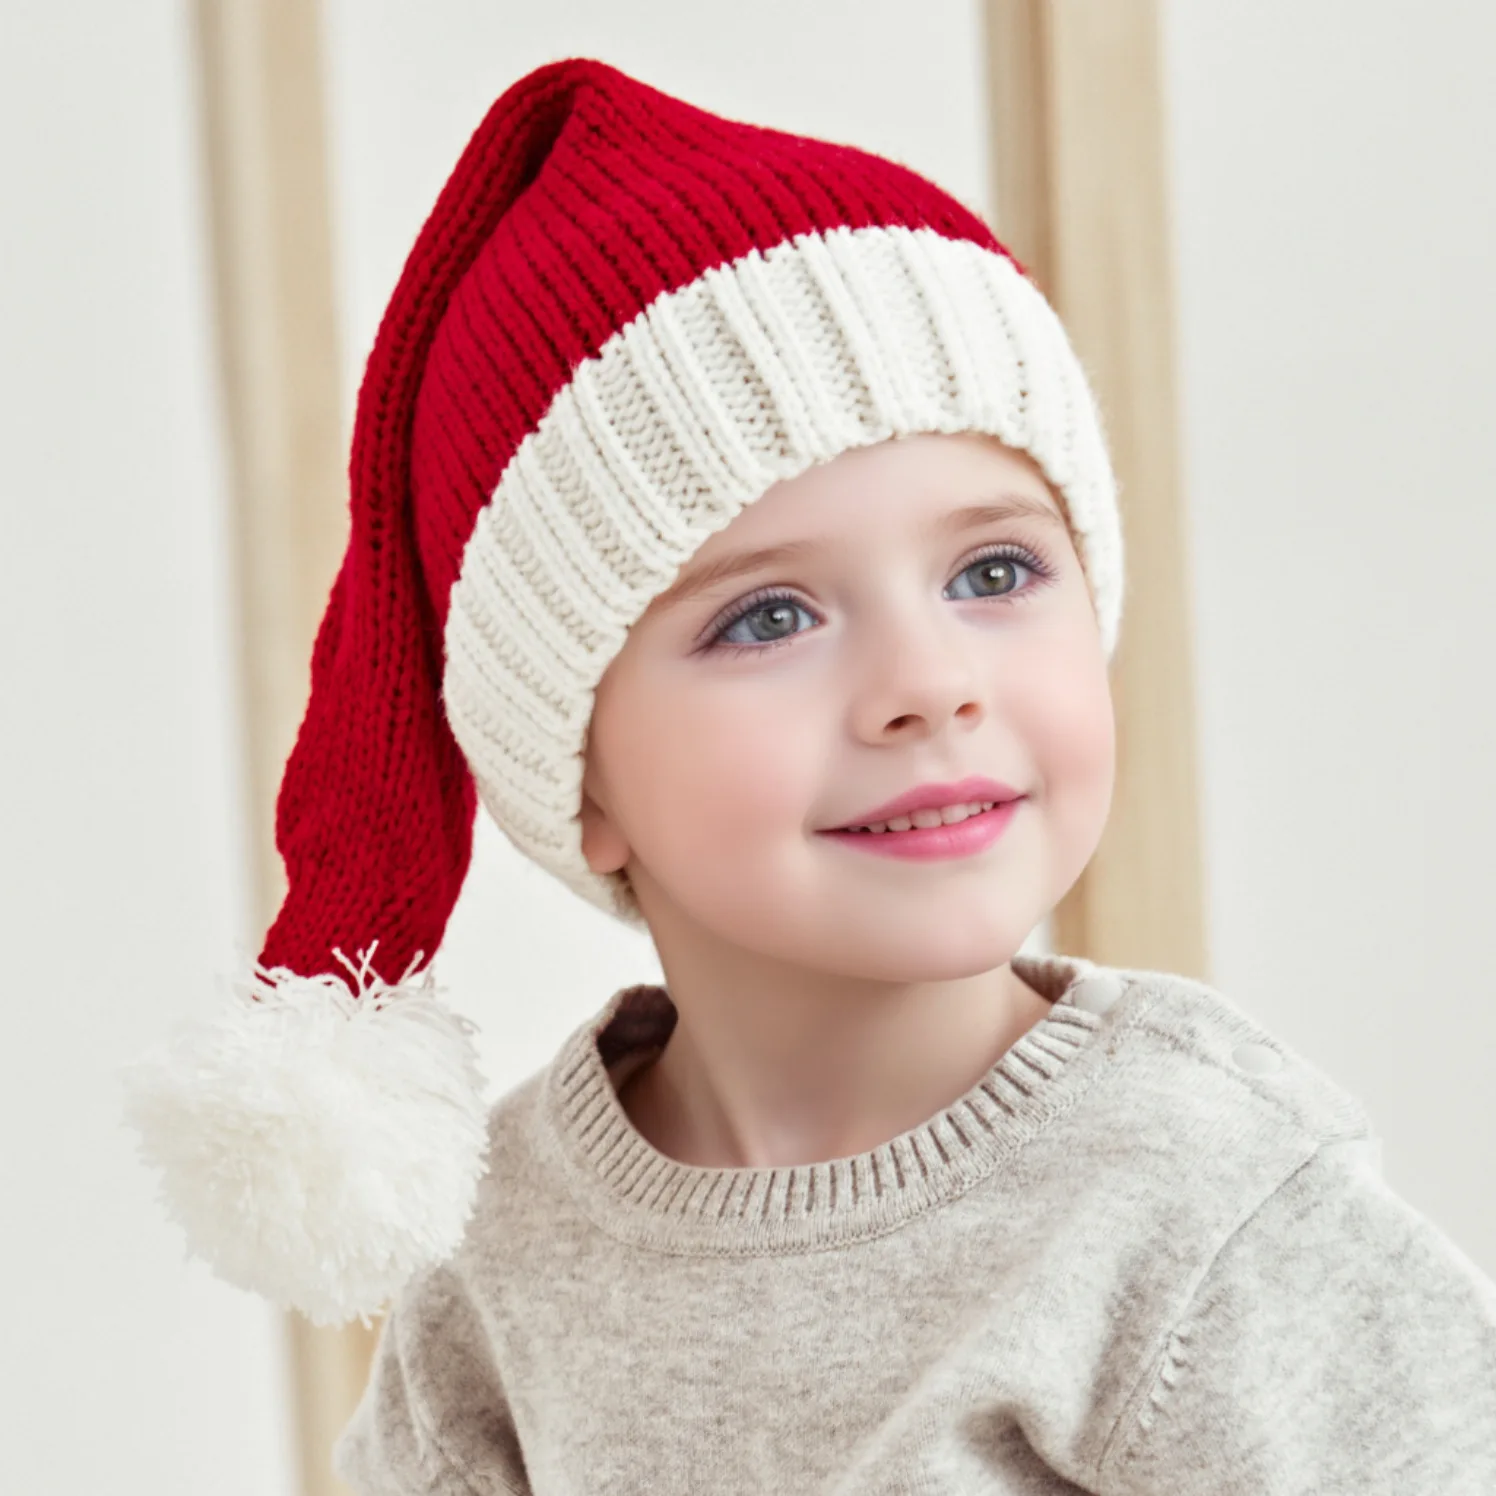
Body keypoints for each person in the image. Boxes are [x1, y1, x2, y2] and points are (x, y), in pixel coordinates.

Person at [118, 56, 1496, 1493]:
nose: (927, 683)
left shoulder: (1199, 1203)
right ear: (576, 773)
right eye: (769, 617)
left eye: (996, 569)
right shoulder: (508, 1260)